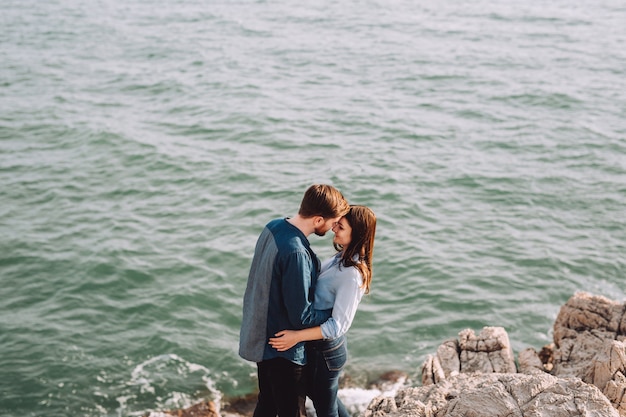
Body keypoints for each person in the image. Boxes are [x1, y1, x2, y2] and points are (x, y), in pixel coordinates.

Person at [239, 184, 350, 417]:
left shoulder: (273, 227)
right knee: (293, 412)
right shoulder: (296, 253)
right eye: (332, 222)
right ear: (319, 219)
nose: (332, 229)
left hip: (262, 336)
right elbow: (301, 317)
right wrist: (334, 314)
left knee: (267, 402)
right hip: (284, 348)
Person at [269, 205, 376, 417]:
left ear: (358, 234)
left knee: (325, 410)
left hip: (326, 352)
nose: (334, 228)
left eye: (341, 227)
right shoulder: (341, 259)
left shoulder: (352, 275)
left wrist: (296, 336)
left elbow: (338, 325)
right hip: (319, 348)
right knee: (325, 399)